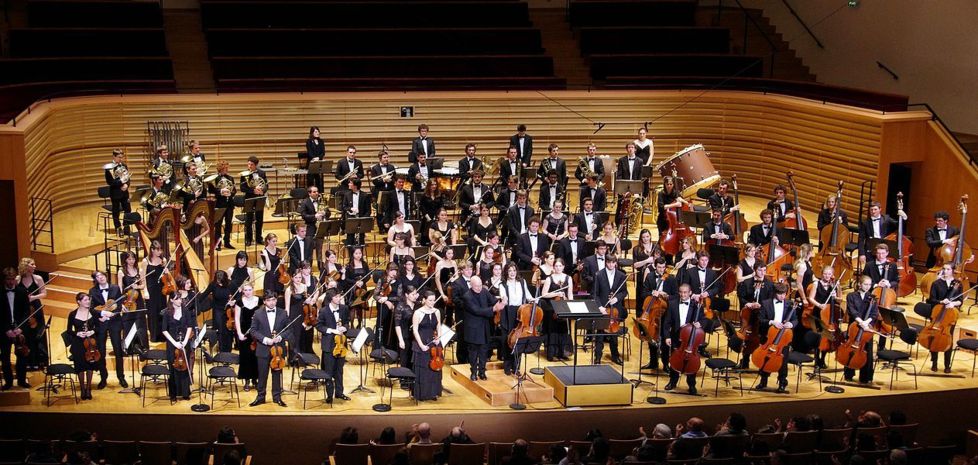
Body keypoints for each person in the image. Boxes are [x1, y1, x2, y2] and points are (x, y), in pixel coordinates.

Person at [663, 284, 707, 395]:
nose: (683, 295)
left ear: (690, 293)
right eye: (681, 292)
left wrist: (700, 323)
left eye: (685, 292)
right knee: (674, 361)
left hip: (690, 339)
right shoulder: (672, 304)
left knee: (691, 362)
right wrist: (667, 336)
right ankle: (672, 382)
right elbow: (666, 323)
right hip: (676, 338)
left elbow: (704, 320)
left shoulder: (697, 306)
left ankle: (691, 384)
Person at [249, 292, 291, 407]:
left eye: (273, 300)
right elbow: (253, 331)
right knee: (262, 374)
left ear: (276, 300)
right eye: (269, 300)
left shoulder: (283, 313)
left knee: (277, 374)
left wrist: (280, 337)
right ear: (264, 301)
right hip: (263, 348)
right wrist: (265, 340)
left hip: (278, 350)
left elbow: (289, 329)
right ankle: (260, 397)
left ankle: (277, 397)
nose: (271, 302)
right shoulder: (257, 313)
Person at [756, 283, 797, 393]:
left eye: (784, 294)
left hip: (784, 338)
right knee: (766, 358)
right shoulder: (766, 303)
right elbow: (760, 319)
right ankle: (763, 381)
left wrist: (791, 324)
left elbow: (795, 320)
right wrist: (772, 322)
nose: (782, 297)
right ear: (775, 293)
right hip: (769, 336)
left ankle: (782, 382)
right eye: (780, 294)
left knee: (783, 362)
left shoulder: (790, 304)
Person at [88, 270, 126, 389]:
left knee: (118, 351)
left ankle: (121, 377)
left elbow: (119, 304)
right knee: (101, 352)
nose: (101, 278)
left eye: (102, 275)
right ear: (95, 280)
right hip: (101, 323)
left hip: (114, 322)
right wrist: (102, 314)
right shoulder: (92, 291)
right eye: (97, 277)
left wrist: (111, 314)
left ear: (105, 276)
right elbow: (91, 308)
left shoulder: (115, 288)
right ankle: (103, 378)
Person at [462, 277, 502, 381]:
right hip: (473, 329)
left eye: (480, 285)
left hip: (484, 327)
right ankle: (474, 372)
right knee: (473, 353)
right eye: (477, 286)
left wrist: (501, 301)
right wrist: (493, 309)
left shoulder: (484, 291)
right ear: (471, 285)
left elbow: (493, 300)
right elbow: (477, 311)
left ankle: (482, 372)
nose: (479, 288)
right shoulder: (467, 296)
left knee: (484, 351)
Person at [640, 258, 677, 370]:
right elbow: (643, 293)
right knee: (652, 336)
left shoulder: (671, 278)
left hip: (666, 312)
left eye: (663, 267)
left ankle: (666, 364)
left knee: (665, 338)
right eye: (659, 267)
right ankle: (653, 362)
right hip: (653, 311)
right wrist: (652, 292)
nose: (661, 270)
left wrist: (666, 296)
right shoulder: (650, 276)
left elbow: (676, 295)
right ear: (655, 266)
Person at [926, 264, 962, 373]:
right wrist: (941, 302)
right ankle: (934, 363)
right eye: (944, 269)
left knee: (948, 340)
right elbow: (931, 300)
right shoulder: (936, 283)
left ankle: (947, 365)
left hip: (950, 315)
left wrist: (953, 303)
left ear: (953, 270)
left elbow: (960, 300)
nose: (945, 271)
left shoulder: (958, 284)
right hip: (937, 314)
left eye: (948, 269)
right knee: (934, 337)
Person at [316, 290, 350, 402]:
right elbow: (319, 325)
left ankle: (339, 393)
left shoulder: (344, 309)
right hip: (329, 345)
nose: (339, 298)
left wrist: (344, 327)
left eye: (339, 296)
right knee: (329, 371)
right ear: (331, 298)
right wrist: (332, 330)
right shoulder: (324, 311)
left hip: (341, 344)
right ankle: (329, 395)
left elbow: (347, 322)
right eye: (337, 297)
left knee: (339, 371)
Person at [737, 263, 773, 369]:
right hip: (748, 315)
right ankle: (745, 360)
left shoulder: (769, 284)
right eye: (760, 270)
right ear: (755, 270)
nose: (762, 273)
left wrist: (762, 305)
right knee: (747, 337)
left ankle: (761, 361)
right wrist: (747, 303)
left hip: (762, 316)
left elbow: (770, 300)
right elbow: (741, 296)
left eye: (764, 270)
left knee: (761, 337)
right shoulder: (747, 282)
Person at [593, 255, 627, 365]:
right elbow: (595, 294)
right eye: (609, 262)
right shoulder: (599, 274)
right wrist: (600, 307)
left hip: (615, 308)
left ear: (616, 263)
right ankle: (597, 356)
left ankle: (615, 355)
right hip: (603, 308)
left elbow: (624, 292)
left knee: (614, 332)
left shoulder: (621, 275)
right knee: (600, 333)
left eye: (613, 263)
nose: (611, 265)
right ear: (606, 263)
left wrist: (617, 298)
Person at [500, 263, 532, 375]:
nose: (512, 273)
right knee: (509, 339)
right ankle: (507, 366)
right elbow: (504, 297)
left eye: (514, 270)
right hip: (508, 312)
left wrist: (533, 299)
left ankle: (516, 366)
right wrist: (503, 299)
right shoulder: (503, 284)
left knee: (519, 339)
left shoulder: (522, 282)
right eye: (509, 271)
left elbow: (527, 295)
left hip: (521, 312)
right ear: (506, 272)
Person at [844, 275, 877, 384]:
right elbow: (851, 311)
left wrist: (866, 323)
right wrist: (860, 322)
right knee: (851, 350)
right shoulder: (851, 296)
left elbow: (874, 313)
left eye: (869, 284)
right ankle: (849, 374)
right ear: (859, 284)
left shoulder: (872, 297)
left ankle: (865, 377)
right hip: (854, 326)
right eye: (865, 284)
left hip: (867, 327)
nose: (868, 287)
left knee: (866, 350)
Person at [162, 293, 194, 401]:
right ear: (171, 300)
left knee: (185, 367)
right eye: (177, 299)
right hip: (172, 344)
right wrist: (174, 343)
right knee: (173, 368)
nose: (180, 300)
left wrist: (185, 341)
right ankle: (173, 394)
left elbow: (190, 326)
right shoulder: (167, 312)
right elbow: (164, 330)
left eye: (180, 298)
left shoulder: (185, 311)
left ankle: (185, 393)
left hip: (185, 342)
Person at [67, 293, 100, 399]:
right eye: (85, 300)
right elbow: (68, 330)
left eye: (88, 300)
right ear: (79, 302)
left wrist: (92, 331)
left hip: (91, 342)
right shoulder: (72, 314)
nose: (88, 302)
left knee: (90, 365)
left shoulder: (93, 312)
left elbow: (99, 327)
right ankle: (82, 389)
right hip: (78, 343)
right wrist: (77, 333)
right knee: (80, 366)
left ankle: (89, 389)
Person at [412, 291, 443, 400]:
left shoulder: (437, 311)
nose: (432, 302)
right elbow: (415, 331)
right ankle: (423, 394)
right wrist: (421, 345)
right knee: (424, 369)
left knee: (435, 369)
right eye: (430, 300)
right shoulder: (418, 313)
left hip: (434, 344)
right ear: (424, 300)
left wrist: (438, 337)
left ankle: (433, 393)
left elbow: (438, 325)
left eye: (434, 300)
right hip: (422, 342)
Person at [17, 258, 47, 370]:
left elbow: (44, 293)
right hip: (23, 308)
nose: (35, 266)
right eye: (32, 264)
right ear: (26, 265)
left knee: (37, 333)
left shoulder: (38, 278)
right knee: (26, 334)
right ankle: (26, 361)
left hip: (35, 307)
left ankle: (39, 361)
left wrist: (33, 297)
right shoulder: (18, 279)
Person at [540, 258, 573, 361]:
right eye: (556, 266)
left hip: (563, 307)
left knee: (563, 329)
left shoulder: (568, 278)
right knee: (553, 330)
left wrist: (570, 303)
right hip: (552, 308)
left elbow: (570, 293)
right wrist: (556, 294)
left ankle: (562, 352)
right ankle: (552, 353)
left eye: (560, 266)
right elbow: (544, 294)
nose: (558, 268)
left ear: (563, 267)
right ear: (553, 267)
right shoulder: (550, 279)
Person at [116, 252, 147, 355]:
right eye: (129, 259)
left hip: (138, 299)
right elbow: (119, 288)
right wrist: (121, 302)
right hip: (127, 300)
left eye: (133, 259)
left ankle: (141, 346)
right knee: (128, 322)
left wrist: (137, 287)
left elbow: (143, 285)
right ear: (125, 260)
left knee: (140, 323)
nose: (131, 261)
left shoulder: (140, 270)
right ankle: (128, 347)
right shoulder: (121, 272)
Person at [857, 201, 904, 267]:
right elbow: (861, 239)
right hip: (870, 249)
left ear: (880, 209)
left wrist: (902, 217)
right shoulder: (865, 222)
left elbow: (898, 225)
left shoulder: (886, 219)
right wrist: (861, 254)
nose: (873, 212)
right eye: (871, 210)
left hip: (883, 248)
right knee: (871, 269)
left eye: (875, 209)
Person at [233, 283, 260, 391]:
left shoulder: (259, 300)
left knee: (256, 356)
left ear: (253, 289)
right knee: (245, 356)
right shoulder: (239, 302)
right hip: (244, 332)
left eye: (250, 289)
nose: (248, 292)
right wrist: (239, 333)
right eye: (245, 290)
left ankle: (255, 379)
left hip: (257, 332)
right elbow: (236, 319)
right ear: (243, 291)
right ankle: (247, 380)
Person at [200, 270, 234, 353]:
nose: (218, 283)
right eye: (217, 281)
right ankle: (222, 351)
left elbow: (238, 296)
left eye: (220, 282)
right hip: (218, 309)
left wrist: (234, 301)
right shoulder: (213, 284)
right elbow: (204, 295)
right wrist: (195, 301)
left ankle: (228, 350)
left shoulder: (231, 284)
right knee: (221, 331)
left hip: (229, 310)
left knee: (228, 331)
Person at [239, 156, 268, 247]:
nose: (249, 166)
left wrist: (262, 190)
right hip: (249, 198)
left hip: (259, 198)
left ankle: (259, 238)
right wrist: (253, 191)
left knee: (259, 219)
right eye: (248, 164)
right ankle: (248, 239)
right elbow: (242, 188)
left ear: (256, 165)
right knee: (249, 219)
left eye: (251, 164)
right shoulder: (244, 174)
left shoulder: (262, 173)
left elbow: (266, 185)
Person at [143, 241, 168, 342]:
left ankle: (162, 335)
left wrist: (166, 272)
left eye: (161, 249)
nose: (160, 252)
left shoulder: (163, 260)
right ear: (152, 250)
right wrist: (145, 290)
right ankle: (154, 336)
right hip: (151, 289)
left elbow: (166, 274)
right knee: (152, 312)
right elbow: (143, 277)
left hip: (161, 289)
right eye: (158, 250)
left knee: (161, 311)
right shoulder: (146, 261)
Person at [104, 148, 132, 237]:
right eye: (119, 157)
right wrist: (121, 183)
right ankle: (118, 228)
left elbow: (127, 178)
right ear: (114, 157)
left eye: (122, 157)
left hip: (125, 192)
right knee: (116, 211)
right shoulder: (109, 168)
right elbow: (110, 182)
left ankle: (126, 227)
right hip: (115, 193)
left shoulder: (124, 165)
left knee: (128, 210)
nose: (121, 159)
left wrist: (127, 185)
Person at [298, 185, 326, 269]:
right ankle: (308, 268)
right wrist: (315, 216)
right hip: (310, 229)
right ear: (309, 193)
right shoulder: (305, 202)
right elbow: (303, 215)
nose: (316, 193)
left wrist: (325, 213)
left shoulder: (321, 202)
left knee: (319, 250)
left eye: (317, 191)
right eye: (314, 192)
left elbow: (328, 213)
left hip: (320, 228)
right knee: (309, 250)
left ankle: (321, 268)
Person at [212, 160, 237, 250]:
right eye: (225, 168)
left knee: (228, 224)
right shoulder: (215, 178)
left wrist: (231, 193)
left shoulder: (230, 178)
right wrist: (221, 192)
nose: (227, 169)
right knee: (218, 224)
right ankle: (218, 243)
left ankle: (227, 242)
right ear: (220, 169)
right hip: (220, 204)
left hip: (229, 204)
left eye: (227, 168)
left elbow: (234, 190)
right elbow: (212, 190)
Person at [342, 177, 372, 246]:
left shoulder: (365, 195)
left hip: (361, 220)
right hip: (350, 220)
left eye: (350, 183)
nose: (349, 184)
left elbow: (368, 211)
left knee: (361, 241)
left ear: (355, 185)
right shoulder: (347, 195)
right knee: (349, 240)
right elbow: (344, 207)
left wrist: (362, 220)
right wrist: (350, 209)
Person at [258, 233, 284, 297]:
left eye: (276, 241)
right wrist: (266, 256)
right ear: (268, 241)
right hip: (270, 277)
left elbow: (281, 264)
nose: (275, 243)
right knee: (271, 296)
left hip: (279, 275)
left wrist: (282, 262)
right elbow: (268, 268)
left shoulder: (278, 250)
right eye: (273, 241)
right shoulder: (263, 252)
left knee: (279, 295)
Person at [306, 126, 325, 191]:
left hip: (319, 163)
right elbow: (309, 152)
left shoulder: (321, 141)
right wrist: (314, 158)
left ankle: (320, 194)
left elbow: (323, 152)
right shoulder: (309, 141)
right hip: (311, 163)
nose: (318, 133)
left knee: (319, 181)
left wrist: (318, 158)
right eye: (316, 131)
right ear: (312, 133)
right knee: (310, 181)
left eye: (318, 131)